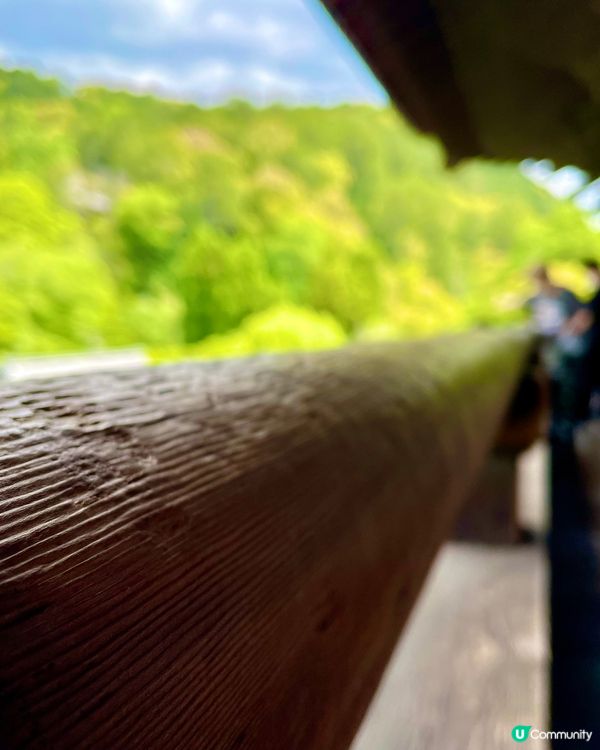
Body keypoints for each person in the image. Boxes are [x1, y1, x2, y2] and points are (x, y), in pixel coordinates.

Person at [527, 264, 590, 433]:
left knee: (572, 386)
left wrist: (569, 327)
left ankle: (574, 422)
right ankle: (559, 421)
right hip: (552, 349)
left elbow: (584, 316)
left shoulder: (564, 294)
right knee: (556, 385)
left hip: (571, 347)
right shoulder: (535, 299)